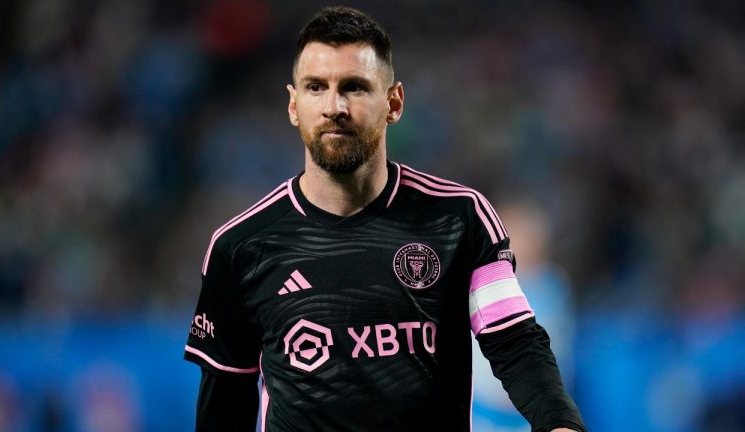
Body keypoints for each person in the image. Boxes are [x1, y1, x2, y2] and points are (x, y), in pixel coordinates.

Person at [184, 6, 586, 432]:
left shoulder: (460, 220)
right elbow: (224, 401)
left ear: (393, 103)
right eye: (316, 87)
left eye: (354, 87)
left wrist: (560, 423)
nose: (334, 106)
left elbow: (515, 343)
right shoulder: (240, 247)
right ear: (293, 105)